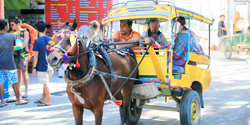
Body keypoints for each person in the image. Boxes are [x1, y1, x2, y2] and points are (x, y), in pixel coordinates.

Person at [0, 19, 29, 107]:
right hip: (10, 63)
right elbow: (17, 47)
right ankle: (18, 99)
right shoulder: (12, 36)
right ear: (5, 27)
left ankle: (2, 102)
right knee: (14, 82)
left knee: (1, 82)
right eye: (8, 25)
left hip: (0, 64)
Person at [112, 20, 142, 84]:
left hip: (134, 58)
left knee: (128, 49)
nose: (121, 28)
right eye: (120, 26)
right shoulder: (117, 33)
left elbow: (133, 43)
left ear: (130, 26)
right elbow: (114, 39)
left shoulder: (136, 34)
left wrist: (119, 47)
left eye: (124, 26)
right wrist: (112, 46)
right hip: (120, 58)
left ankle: (136, 77)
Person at [32, 21, 54, 106]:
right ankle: (42, 98)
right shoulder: (51, 39)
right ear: (45, 29)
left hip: (42, 67)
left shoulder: (37, 41)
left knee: (45, 84)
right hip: (50, 66)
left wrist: (33, 68)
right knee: (46, 83)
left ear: (37, 30)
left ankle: (48, 101)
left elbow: (36, 56)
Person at [10, 17, 30, 98]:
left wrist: (14, 48)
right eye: (10, 25)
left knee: (24, 72)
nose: (11, 26)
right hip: (15, 55)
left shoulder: (24, 32)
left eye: (12, 24)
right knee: (18, 72)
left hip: (23, 54)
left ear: (18, 24)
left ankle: (26, 91)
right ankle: (18, 90)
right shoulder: (12, 32)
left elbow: (25, 43)